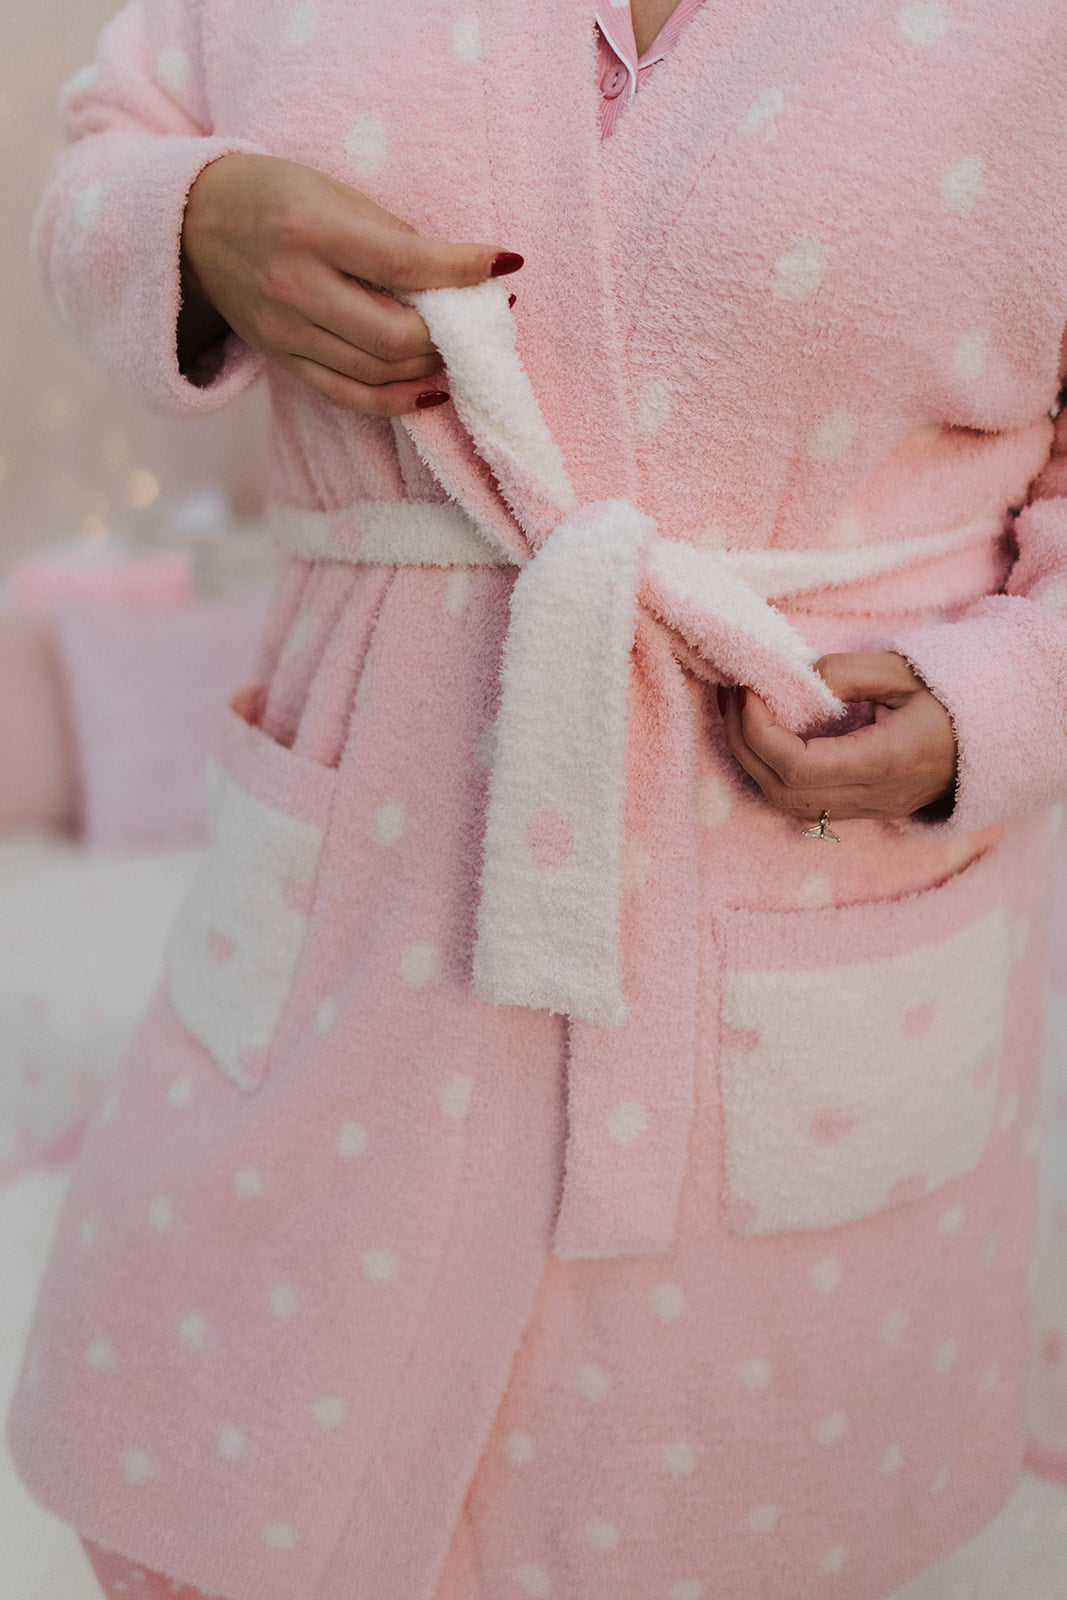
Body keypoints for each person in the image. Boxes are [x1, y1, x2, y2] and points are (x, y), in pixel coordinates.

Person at [8, 1, 1067, 1597]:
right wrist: (191, 222)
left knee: (722, 1505)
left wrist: (1004, 697)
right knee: (224, 1475)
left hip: (787, 883)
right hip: (358, 911)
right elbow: (106, 159)